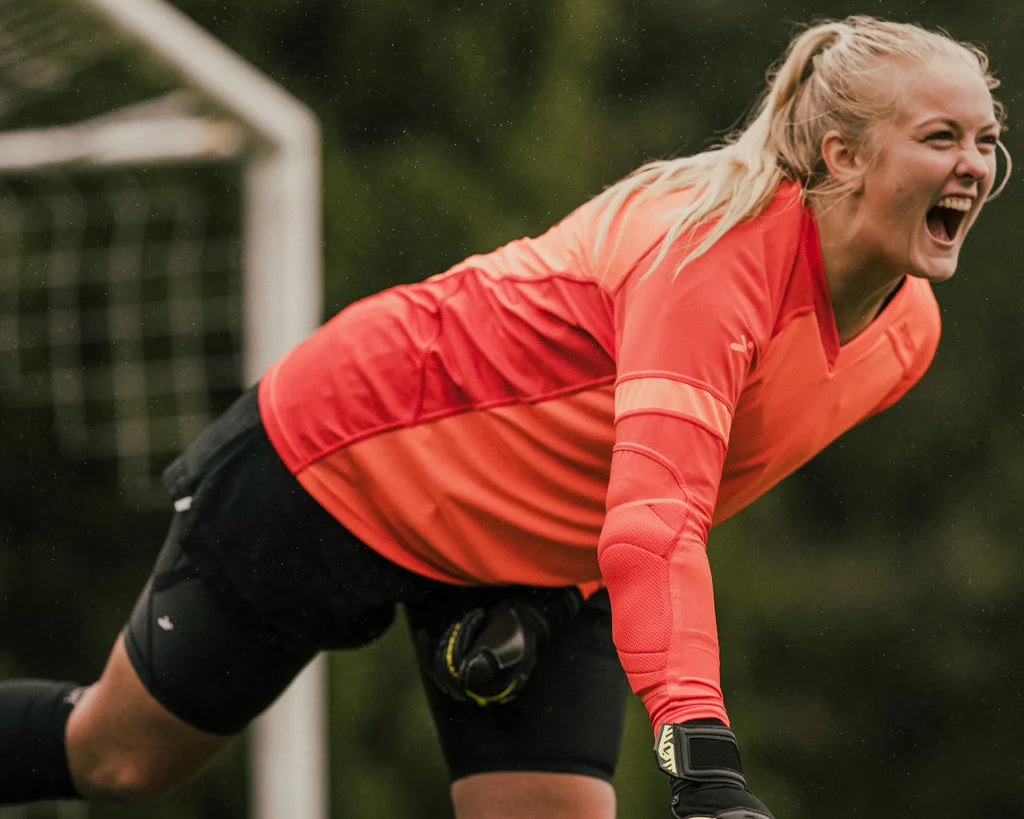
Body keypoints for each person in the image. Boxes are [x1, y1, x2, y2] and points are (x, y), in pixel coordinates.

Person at [0, 14, 1009, 819]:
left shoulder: (906, 332)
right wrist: (699, 750)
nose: (974, 165)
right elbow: (658, 524)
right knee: (121, 761)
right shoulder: (710, 264)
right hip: (347, 459)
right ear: (838, 155)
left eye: (987, 140)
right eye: (939, 139)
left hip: (538, 557)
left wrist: (559, 590)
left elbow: (679, 493)